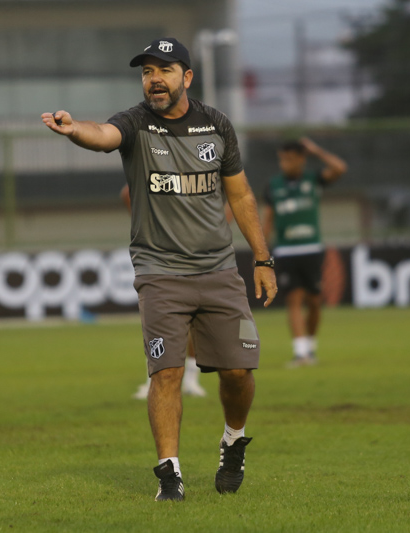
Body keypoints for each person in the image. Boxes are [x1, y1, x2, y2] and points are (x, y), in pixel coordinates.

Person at [42, 37, 277, 501]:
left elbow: (241, 195)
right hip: (159, 273)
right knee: (166, 373)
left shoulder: (217, 125)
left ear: (186, 77)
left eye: (164, 70)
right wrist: (74, 130)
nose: (154, 79)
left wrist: (263, 258)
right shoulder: (135, 122)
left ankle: (233, 441)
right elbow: (103, 135)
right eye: (147, 71)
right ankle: (170, 474)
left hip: (218, 270)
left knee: (238, 373)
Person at [261, 138, 347, 367]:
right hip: (286, 250)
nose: (285, 164)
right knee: (293, 299)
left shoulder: (313, 179)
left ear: (301, 159)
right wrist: (261, 252)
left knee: (315, 301)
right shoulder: (274, 185)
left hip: (312, 248)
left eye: (290, 159)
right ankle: (300, 353)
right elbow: (268, 220)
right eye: (282, 159)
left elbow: (340, 168)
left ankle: (310, 346)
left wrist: (316, 150)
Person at [121, 184, 206, 399]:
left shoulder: (197, 176)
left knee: (194, 319)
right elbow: (127, 192)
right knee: (159, 320)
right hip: (160, 260)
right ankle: (154, 378)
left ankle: (191, 379)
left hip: (195, 256)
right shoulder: (156, 174)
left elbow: (234, 197)